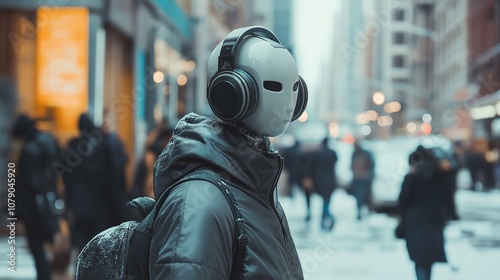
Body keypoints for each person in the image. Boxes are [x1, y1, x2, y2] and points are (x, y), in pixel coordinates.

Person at [149, 26, 307, 279]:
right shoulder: (199, 202)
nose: (288, 101)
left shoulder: (254, 186)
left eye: (293, 88)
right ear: (230, 92)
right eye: (275, 86)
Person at [61, 113, 121, 253]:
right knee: (98, 243)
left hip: (80, 203)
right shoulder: (102, 144)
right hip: (98, 203)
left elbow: (66, 175)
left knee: (82, 244)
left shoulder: (75, 147)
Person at [11, 114, 61, 280]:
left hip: (33, 207)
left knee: (37, 247)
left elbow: (28, 183)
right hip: (48, 202)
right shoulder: (48, 141)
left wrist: (17, 210)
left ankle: (45, 276)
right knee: (48, 243)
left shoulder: (29, 150)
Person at [398, 145, 455, 280]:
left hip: (415, 220)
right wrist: (450, 214)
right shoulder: (440, 176)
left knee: (420, 259)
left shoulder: (412, 178)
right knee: (428, 257)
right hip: (434, 219)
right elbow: (448, 197)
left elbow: (403, 200)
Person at [303, 137, 338, 230]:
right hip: (330, 179)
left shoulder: (316, 154)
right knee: (326, 200)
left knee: (323, 199)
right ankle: (326, 217)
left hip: (318, 180)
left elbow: (311, 167)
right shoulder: (332, 153)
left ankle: (327, 217)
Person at [350, 138, 375, 220]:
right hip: (358, 178)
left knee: (365, 195)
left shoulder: (365, 154)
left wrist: (369, 175)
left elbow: (371, 165)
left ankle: (368, 210)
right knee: (358, 196)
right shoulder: (355, 154)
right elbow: (351, 165)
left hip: (364, 178)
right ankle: (359, 211)